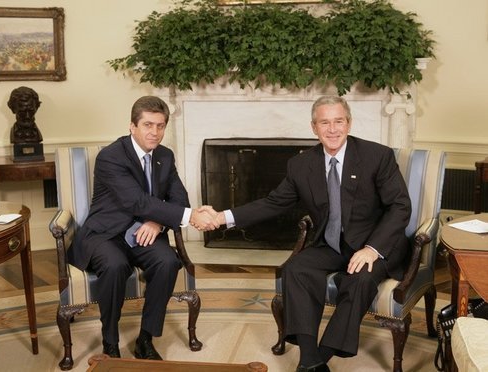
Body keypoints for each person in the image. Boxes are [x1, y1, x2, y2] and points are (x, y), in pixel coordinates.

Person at [201, 95, 411, 372]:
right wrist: (221, 218)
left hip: (373, 246)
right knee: (296, 268)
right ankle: (309, 360)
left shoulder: (377, 156)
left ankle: (320, 357)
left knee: (359, 282)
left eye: (338, 121)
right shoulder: (301, 165)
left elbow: (400, 206)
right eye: (325, 122)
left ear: (349, 124)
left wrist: (372, 249)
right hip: (332, 243)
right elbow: (273, 203)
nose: (332, 129)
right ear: (314, 128)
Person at [68, 96, 217, 360]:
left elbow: (179, 198)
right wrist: (190, 216)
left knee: (168, 262)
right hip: (107, 233)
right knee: (115, 266)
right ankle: (110, 342)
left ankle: (145, 339)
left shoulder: (165, 156)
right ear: (132, 126)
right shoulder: (111, 157)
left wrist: (157, 222)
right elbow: (135, 201)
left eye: (160, 126)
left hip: (144, 232)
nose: (155, 132)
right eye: (148, 125)